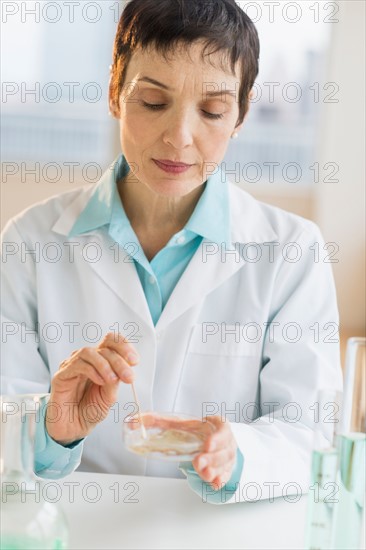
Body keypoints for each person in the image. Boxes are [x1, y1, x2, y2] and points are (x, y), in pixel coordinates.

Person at [1, 0, 342, 504]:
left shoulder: (293, 252)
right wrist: (51, 430)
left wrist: (237, 454)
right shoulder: (29, 243)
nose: (179, 137)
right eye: (154, 102)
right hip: (76, 530)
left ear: (241, 115)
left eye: (212, 111)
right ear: (115, 93)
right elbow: (6, 416)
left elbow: (310, 434)